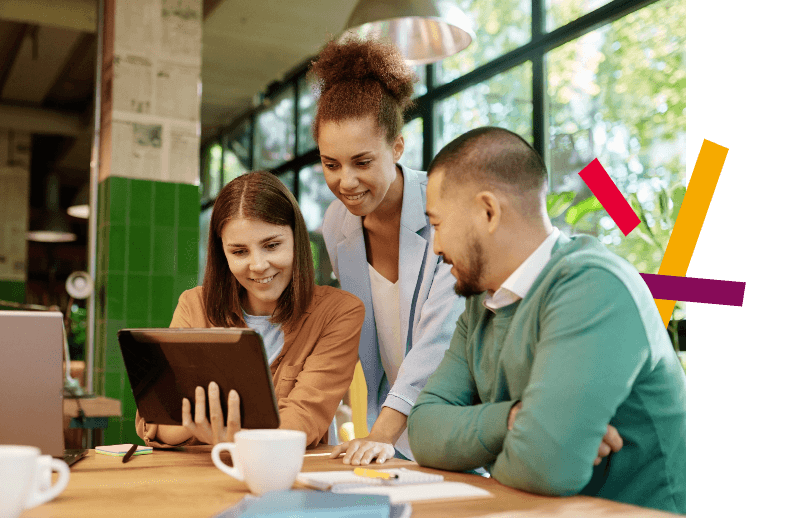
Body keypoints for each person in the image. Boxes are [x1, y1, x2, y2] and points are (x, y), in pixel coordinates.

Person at [408, 127, 687, 513]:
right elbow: (422, 431)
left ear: (488, 211)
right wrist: (512, 420)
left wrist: (527, 441)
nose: (436, 247)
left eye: (437, 225)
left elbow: (545, 467)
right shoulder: (480, 305)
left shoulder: (593, 286)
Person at [312, 37, 465, 465]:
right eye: (331, 164)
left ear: (397, 148)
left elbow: (439, 338)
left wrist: (380, 435)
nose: (346, 182)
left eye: (362, 162)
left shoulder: (443, 208)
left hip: (455, 422)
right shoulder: (336, 223)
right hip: (390, 441)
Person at [135, 171, 364, 449]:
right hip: (199, 477)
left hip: (285, 479)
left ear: (297, 239)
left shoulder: (340, 312)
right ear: (222, 253)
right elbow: (156, 422)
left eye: (271, 245)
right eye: (239, 252)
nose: (257, 265)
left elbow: (302, 423)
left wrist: (207, 423)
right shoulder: (194, 305)